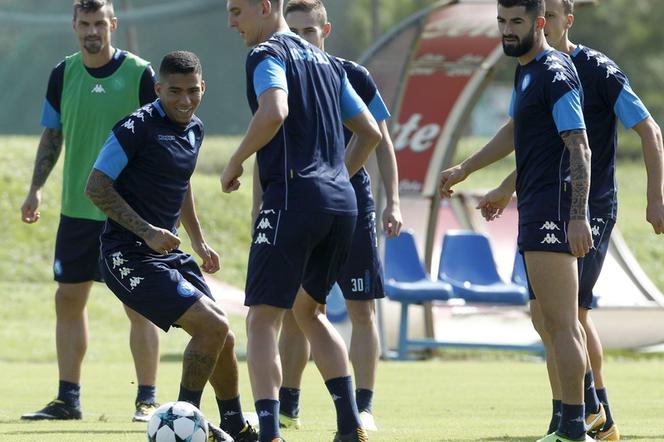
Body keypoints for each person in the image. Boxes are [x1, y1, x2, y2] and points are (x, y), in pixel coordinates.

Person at [475, 1, 664, 440]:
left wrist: (655, 198)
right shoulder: (535, 70)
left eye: (552, 17)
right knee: (546, 317)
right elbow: (536, 142)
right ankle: (578, 413)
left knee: (571, 314)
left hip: (588, 206)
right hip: (548, 203)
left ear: (560, 20)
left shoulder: (595, 69)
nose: (514, 29)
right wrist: (504, 184)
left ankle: (590, 413)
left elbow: (648, 131)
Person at [224, 1, 382, 441]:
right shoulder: (329, 64)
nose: (231, 22)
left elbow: (274, 111)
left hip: (293, 198)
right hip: (342, 203)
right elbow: (370, 130)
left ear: (264, 7)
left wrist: (235, 161)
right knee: (310, 312)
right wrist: (334, 178)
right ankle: (351, 425)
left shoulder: (266, 54)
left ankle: (271, 431)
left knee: (261, 320)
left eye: (237, 10)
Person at [439, 1, 596, 441]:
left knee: (563, 324)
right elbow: (514, 130)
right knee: (548, 322)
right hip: (535, 206)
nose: (507, 31)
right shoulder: (525, 70)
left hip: (552, 210)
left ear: (540, 23)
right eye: (502, 23)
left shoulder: (555, 72)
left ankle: (575, 426)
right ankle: (570, 422)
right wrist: (466, 169)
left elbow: (579, 147)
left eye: (517, 23)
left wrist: (578, 216)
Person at [85, 51, 258, 442]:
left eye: (193, 91)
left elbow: (181, 183)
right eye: (174, 91)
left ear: (203, 88)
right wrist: (146, 231)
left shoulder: (194, 128)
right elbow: (95, 186)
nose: (184, 100)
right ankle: (184, 425)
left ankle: (232, 423)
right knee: (213, 325)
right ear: (158, 89)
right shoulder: (135, 128)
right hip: (127, 255)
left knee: (222, 337)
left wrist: (198, 239)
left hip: (168, 253)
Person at [20, 0, 161, 422]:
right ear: (74, 26)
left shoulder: (140, 73)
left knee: (139, 304)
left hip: (128, 213)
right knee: (67, 299)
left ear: (113, 24)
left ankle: (147, 400)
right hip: (76, 211)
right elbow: (53, 135)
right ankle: (68, 399)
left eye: (100, 23)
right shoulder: (62, 73)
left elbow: (159, 139)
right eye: (85, 24)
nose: (92, 31)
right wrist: (35, 189)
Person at [267, 0, 403, 432]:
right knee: (297, 309)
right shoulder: (280, 78)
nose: (303, 38)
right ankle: (289, 405)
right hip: (300, 207)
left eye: (310, 30)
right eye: (295, 31)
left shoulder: (351, 75)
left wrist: (393, 201)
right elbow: (271, 146)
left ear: (326, 29)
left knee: (362, 310)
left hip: (352, 206)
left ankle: (363, 406)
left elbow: (380, 140)